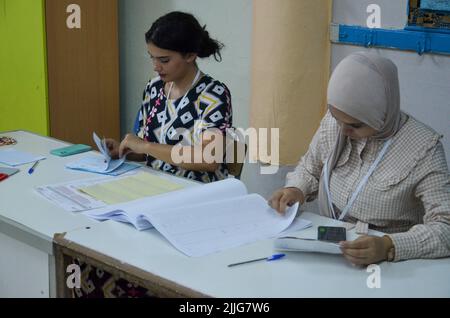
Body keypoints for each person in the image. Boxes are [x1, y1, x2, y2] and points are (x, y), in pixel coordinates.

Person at [269, 52, 450, 265]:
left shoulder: (424, 148)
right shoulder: (337, 122)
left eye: (355, 125)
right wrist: (296, 189)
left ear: (382, 113)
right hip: (329, 248)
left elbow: (445, 227)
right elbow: (310, 168)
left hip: (389, 266)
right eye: (337, 119)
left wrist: (388, 246)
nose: (344, 131)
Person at [107, 11, 232, 183]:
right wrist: (125, 150)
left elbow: (208, 159)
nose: (156, 67)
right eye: (152, 58)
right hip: (156, 185)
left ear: (190, 55)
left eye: (164, 60)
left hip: (199, 191)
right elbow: (148, 152)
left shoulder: (212, 94)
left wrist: (145, 146)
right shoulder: (154, 88)